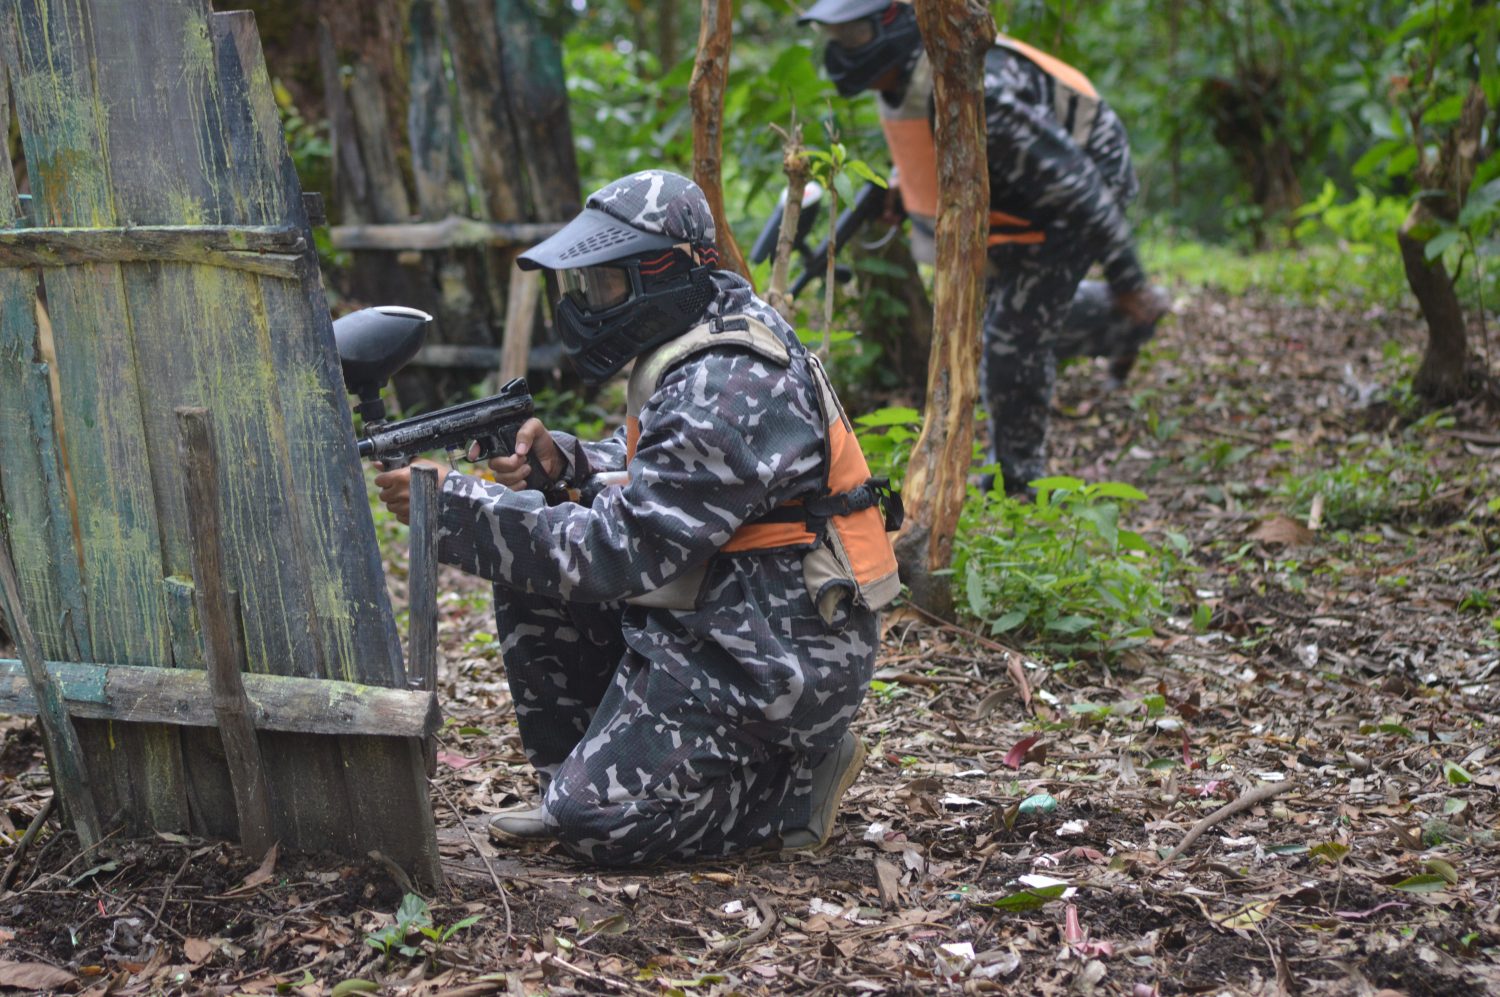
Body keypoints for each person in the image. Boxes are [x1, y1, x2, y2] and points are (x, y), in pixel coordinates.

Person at [373, 170, 902, 866]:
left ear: (666, 271)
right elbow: (668, 475)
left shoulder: (727, 378)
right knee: (532, 567)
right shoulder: (700, 339)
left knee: (598, 826)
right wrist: (568, 467)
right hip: (720, 614)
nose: (589, 308)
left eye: (605, 286)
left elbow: (620, 551)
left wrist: (459, 511)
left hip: (776, 657)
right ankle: (583, 777)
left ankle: (788, 782)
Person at [798, 0, 1168, 494]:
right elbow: (943, 151)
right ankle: (1123, 324)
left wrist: (1129, 279)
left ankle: (1017, 483)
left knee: (1012, 340)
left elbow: (1080, 188)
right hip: (1017, 198)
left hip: (1081, 189)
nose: (841, 54)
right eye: (835, 39)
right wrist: (905, 188)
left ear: (894, 25)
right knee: (1011, 322)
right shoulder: (913, 81)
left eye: (852, 38)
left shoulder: (979, 91)